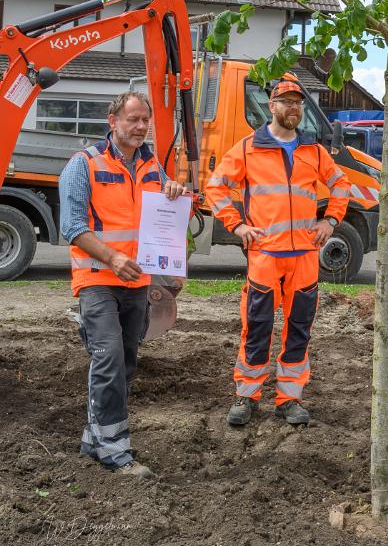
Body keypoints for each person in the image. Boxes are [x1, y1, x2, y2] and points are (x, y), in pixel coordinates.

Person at [205, 75, 351, 427]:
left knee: (299, 329)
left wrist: (330, 220)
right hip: (265, 258)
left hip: (303, 258)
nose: (293, 108)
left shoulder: (313, 151)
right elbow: (216, 187)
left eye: (298, 102)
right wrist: (238, 225)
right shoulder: (247, 148)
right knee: (256, 327)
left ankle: (290, 397)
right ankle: (247, 394)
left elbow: (341, 184)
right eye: (286, 101)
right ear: (271, 106)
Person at [59, 91, 187, 477]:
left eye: (145, 120)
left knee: (126, 361)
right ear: (112, 121)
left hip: (137, 282)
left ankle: (94, 435)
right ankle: (114, 449)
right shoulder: (83, 164)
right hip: (98, 280)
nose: (141, 126)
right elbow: (72, 226)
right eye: (133, 119)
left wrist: (175, 193)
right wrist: (112, 257)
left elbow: (165, 213)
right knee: (110, 357)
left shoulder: (152, 167)